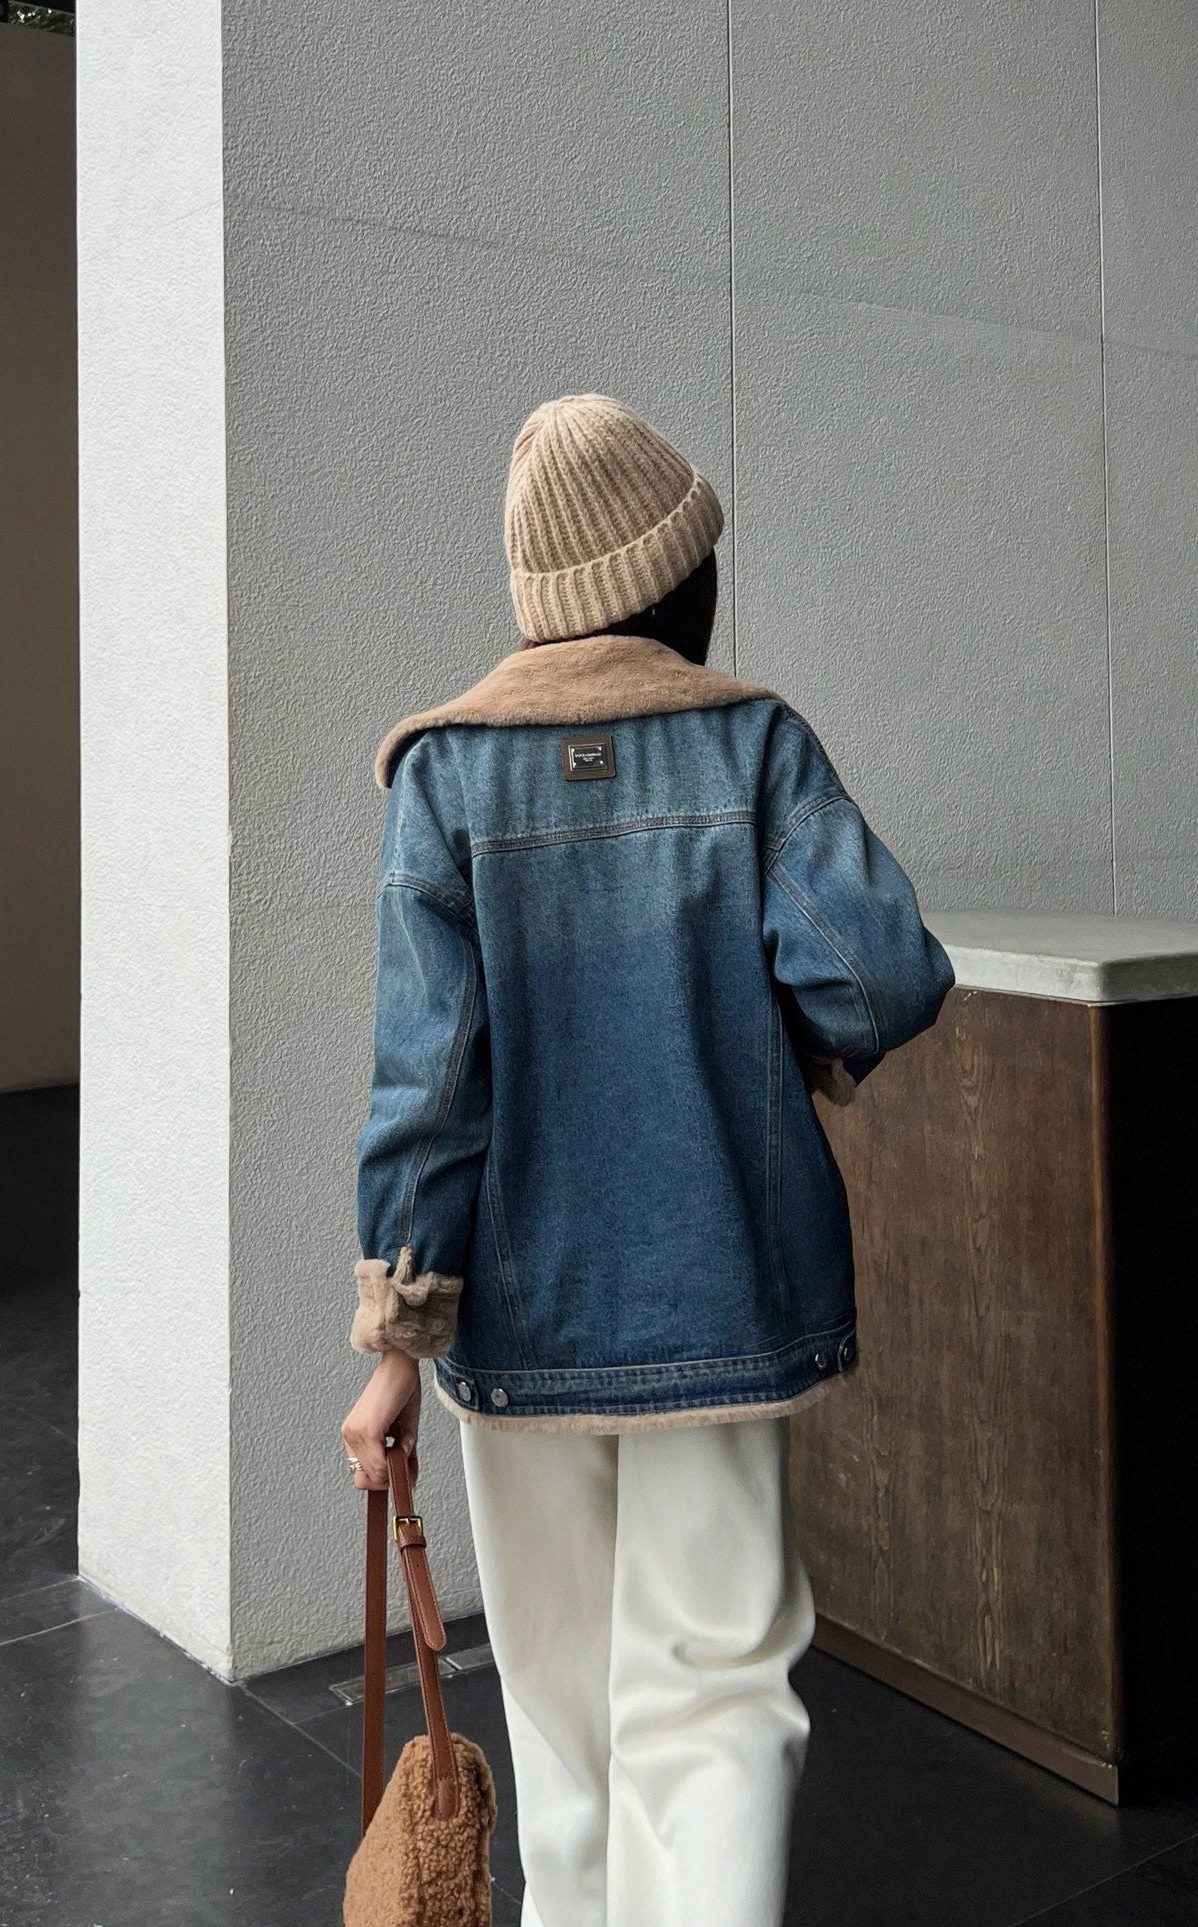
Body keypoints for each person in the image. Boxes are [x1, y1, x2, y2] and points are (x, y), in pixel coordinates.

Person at [340, 393, 954, 1927]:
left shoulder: (444, 777)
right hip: (725, 1300)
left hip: (519, 1327)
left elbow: (428, 1087)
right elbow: (880, 978)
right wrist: (764, 1044)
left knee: (561, 1714)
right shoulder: (753, 744)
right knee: (717, 1699)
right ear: (678, 578)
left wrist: (396, 1349)